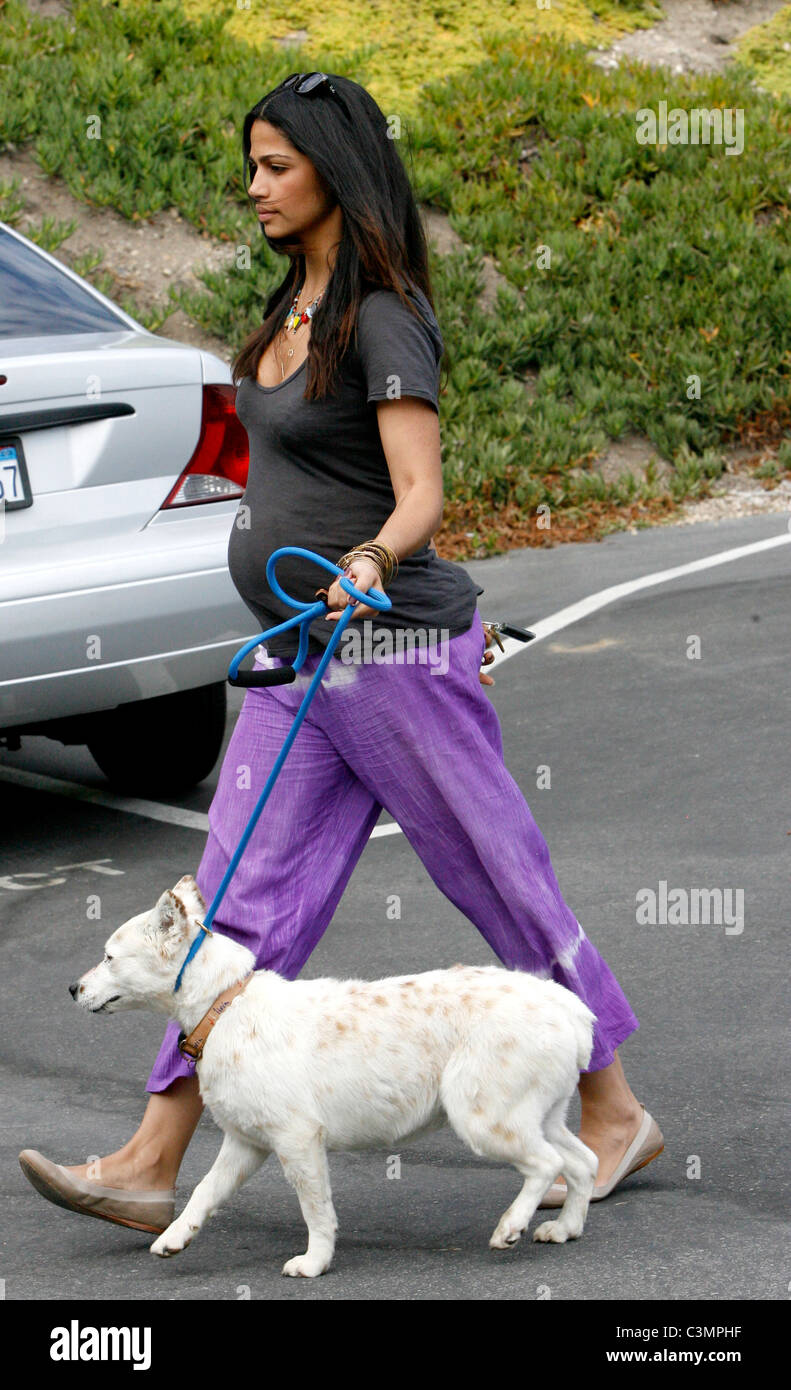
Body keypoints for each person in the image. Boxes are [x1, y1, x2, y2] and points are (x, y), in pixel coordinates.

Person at [19, 72, 662, 1233]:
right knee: (225, 904)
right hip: (294, 660)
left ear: (335, 170)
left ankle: (610, 1108)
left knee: (494, 878)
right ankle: (153, 1154)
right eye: (250, 164)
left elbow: (420, 493)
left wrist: (365, 558)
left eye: (275, 165)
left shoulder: (384, 316)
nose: (253, 186)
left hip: (396, 649)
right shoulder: (284, 311)